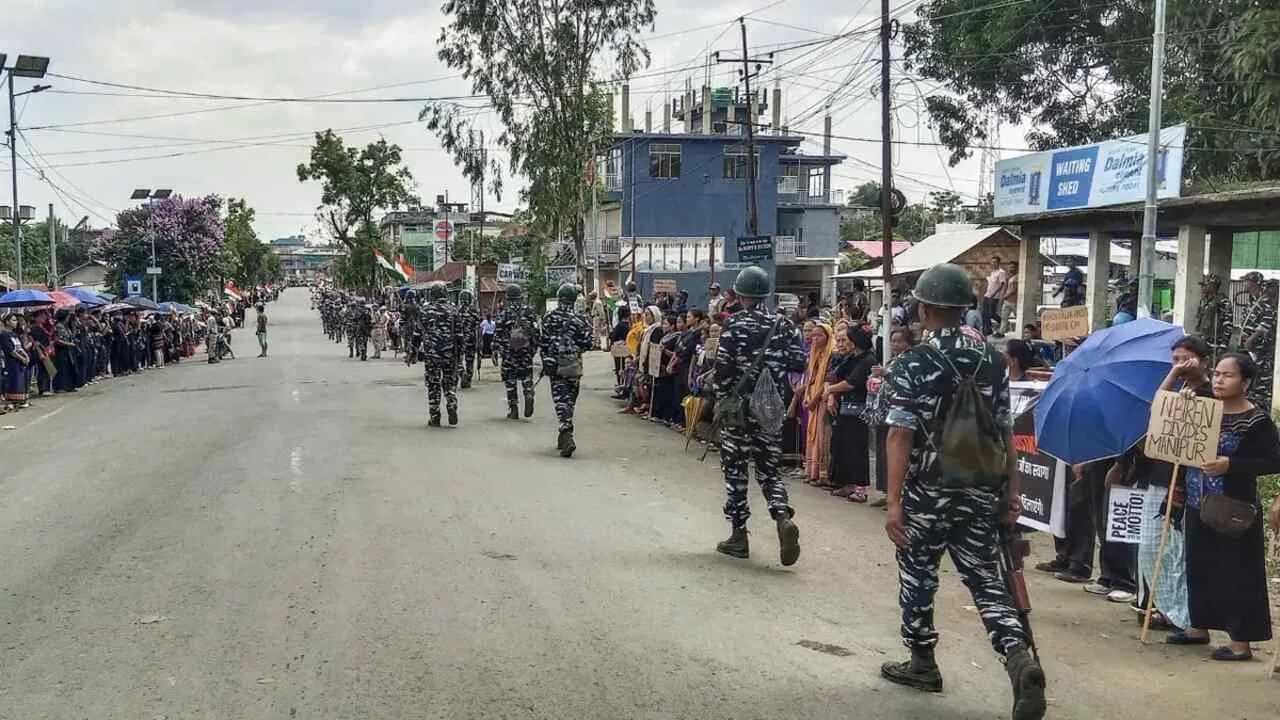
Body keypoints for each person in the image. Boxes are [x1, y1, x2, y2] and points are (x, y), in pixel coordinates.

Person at [879, 262, 1044, 717]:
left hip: (928, 492)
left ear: (925, 308)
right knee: (987, 580)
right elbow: (1005, 431)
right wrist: (1012, 492)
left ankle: (922, 662)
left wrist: (894, 503)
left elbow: (899, 435)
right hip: (981, 489)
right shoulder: (993, 361)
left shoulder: (912, 363)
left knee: (919, 575)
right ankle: (1017, 655)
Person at [1175, 352, 1279, 660]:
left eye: (1228, 375)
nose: (1219, 380)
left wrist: (1230, 465)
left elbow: (1274, 460)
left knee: (1238, 572)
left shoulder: (1256, 420)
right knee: (1198, 566)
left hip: (1234, 507)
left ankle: (1241, 643)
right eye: (1217, 374)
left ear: (1245, 383)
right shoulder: (1203, 409)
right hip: (1197, 500)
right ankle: (1199, 626)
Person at [712, 266, 807, 566]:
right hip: (770, 409)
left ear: (740, 295)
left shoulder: (734, 324)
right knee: (769, 470)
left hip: (739, 410)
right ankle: (781, 517)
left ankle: (739, 536)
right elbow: (799, 361)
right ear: (765, 294)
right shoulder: (786, 325)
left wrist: (720, 397)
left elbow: (723, 369)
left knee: (736, 471)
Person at [540, 283, 594, 456]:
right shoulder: (580, 319)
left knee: (560, 400)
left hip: (555, 365)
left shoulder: (549, 317)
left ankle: (566, 432)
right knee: (569, 399)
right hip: (573, 365)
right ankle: (564, 433)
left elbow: (543, 343)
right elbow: (587, 343)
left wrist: (546, 360)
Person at [826, 325, 876, 502]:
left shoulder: (868, 360)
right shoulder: (850, 358)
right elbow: (834, 376)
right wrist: (831, 394)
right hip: (845, 408)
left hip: (860, 411)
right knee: (842, 447)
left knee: (857, 449)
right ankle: (847, 484)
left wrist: (829, 390)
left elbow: (851, 383)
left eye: (846, 340)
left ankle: (860, 489)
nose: (842, 344)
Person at [495, 284, 540, 419]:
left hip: (509, 354)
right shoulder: (529, 312)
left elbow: (497, 335)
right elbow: (536, 333)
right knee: (527, 377)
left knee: (510, 381)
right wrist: (532, 350)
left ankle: (513, 409)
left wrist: (498, 351)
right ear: (520, 297)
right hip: (525, 352)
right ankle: (529, 393)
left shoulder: (504, 313)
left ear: (508, 298)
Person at [419, 283, 461, 427]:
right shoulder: (454, 310)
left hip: (432, 354)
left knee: (433, 384)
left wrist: (412, 351)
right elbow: (459, 335)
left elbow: (417, 333)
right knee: (449, 382)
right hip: (450, 354)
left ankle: (435, 416)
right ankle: (451, 402)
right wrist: (459, 356)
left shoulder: (425, 310)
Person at [799, 322, 834, 488]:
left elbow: (826, 380)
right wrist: (807, 395)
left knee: (820, 435)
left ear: (827, 337)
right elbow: (810, 377)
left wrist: (814, 398)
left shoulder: (831, 354)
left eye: (819, 335)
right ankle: (811, 472)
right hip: (811, 396)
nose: (814, 339)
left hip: (822, 399)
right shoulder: (814, 353)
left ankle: (821, 473)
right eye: (813, 335)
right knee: (811, 434)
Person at [1237, 272, 1275, 409]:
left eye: (1246, 281)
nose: (1244, 284)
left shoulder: (1265, 301)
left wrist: (1251, 338)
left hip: (1259, 348)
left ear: (1254, 283)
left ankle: (1262, 407)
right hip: (1248, 347)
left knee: (1261, 378)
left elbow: (1266, 322)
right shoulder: (1252, 300)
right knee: (1249, 375)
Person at [1195, 274, 1233, 364]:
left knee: (1214, 367)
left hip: (1215, 342)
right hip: (1203, 340)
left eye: (1205, 285)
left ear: (1212, 286)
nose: (1202, 288)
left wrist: (1223, 345)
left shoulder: (1223, 301)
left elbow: (1228, 325)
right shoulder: (1203, 301)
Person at [1, 315, 31, 409]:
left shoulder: (14, 334)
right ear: (7, 322)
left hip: (20, 362)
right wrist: (22, 358)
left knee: (22, 380)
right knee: (13, 381)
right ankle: (11, 401)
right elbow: (10, 350)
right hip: (11, 362)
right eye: (13, 320)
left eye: (16, 320)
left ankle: (21, 400)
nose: (16, 322)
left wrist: (26, 356)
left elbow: (20, 347)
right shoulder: (3, 335)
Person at [456, 290, 481, 388]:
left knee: (458, 359)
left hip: (460, 339)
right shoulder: (474, 310)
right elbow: (479, 324)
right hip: (471, 338)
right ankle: (468, 380)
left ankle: (462, 374)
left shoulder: (457, 310)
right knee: (470, 360)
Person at [982, 256, 1008, 335]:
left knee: (991, 314)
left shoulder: (1001, 272)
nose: (993, 263)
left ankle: (1005, 323)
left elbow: (1002, 284)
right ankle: (988, 330)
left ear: (998, 263)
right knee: (984, 314)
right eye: (992, 262)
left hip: (994, 296)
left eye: (995, 262)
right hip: (987, 295)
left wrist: (994, 294)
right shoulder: (992, 272)